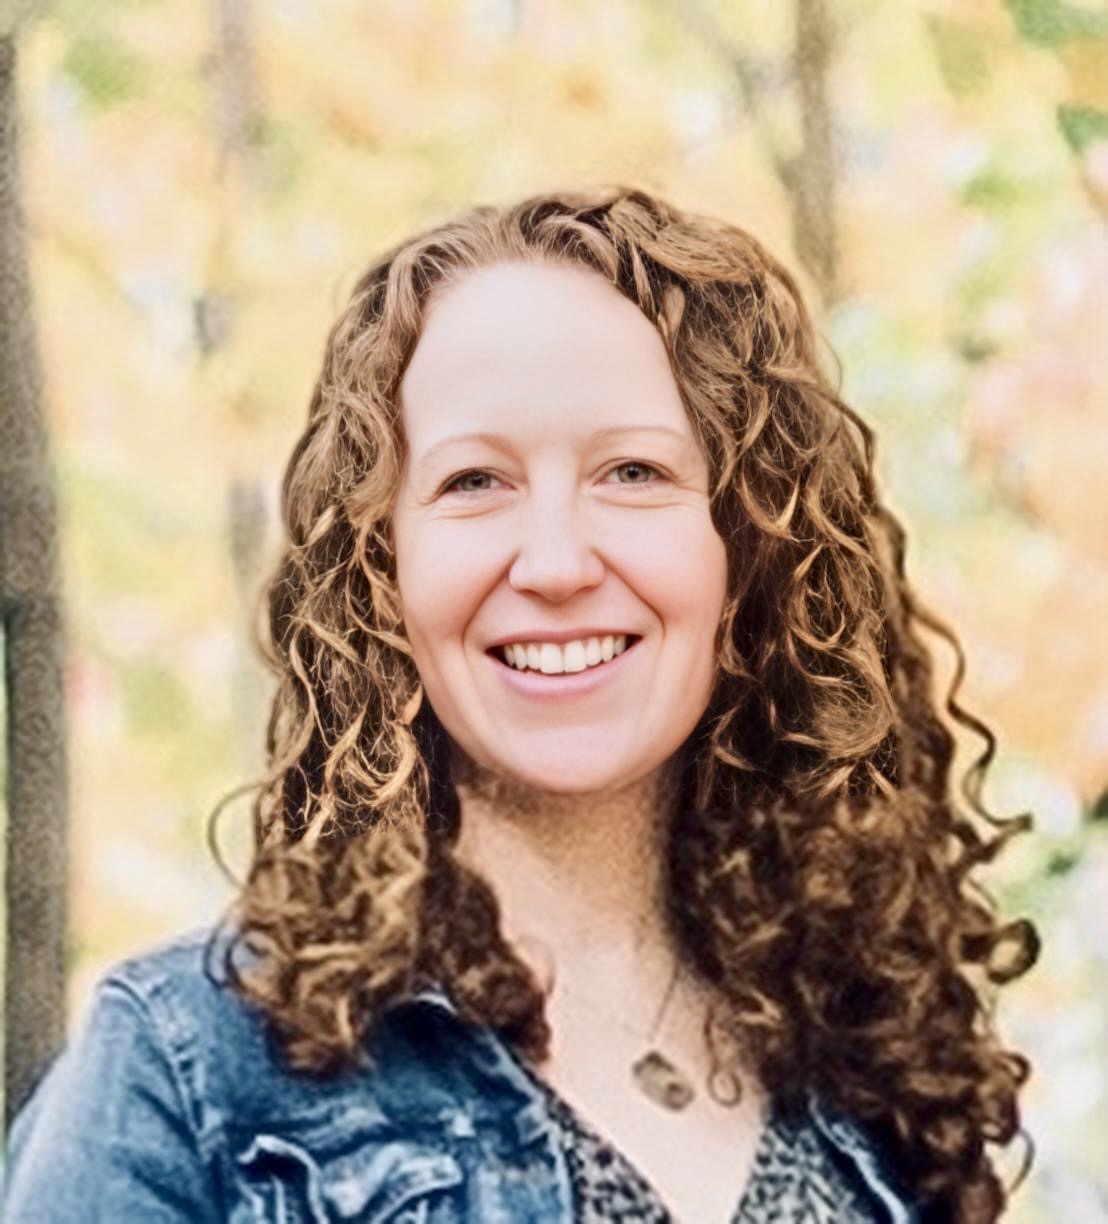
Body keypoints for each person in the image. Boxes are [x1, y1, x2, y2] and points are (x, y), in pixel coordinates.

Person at [4, 186, 1037, 1222]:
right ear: (381, 567)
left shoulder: (872, 1062)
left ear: (752, 548)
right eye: (473, 482)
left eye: (632, 471)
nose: (552, 562)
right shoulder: (191, 1074)